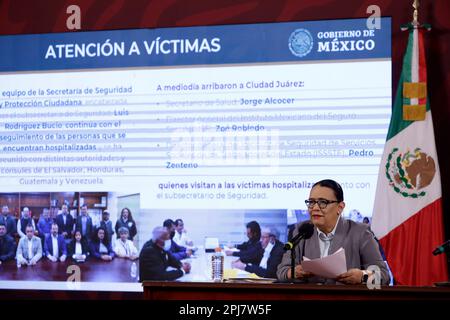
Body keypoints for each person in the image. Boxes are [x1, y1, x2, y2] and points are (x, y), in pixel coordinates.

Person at [276, 179, 390, 285]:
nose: (315, 208)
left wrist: (362, 276)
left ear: (340, 207)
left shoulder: (360, 232)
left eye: (322, 202)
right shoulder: (302, 230)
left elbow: (383, 275)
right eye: (311, 202)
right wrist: (293, 272)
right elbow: (281, 272)